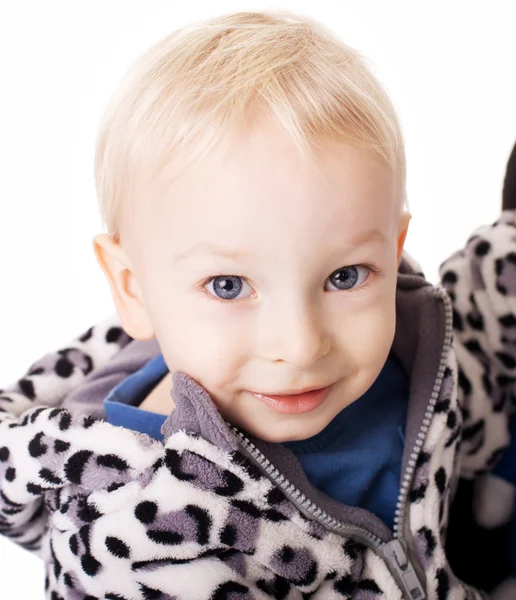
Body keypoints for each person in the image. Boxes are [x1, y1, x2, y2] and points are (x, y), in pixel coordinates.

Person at [0, 10, 514, 599]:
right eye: (228, 286)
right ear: (132, 288)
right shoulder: (137, 543)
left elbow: (484, 359)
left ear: (393, 253)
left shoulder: (413, 342)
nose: (300, 345)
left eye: (345, 276)